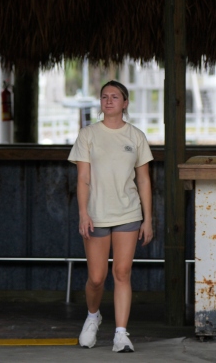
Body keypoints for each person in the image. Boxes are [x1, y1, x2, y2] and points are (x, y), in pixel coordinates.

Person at [68, 80, 154, 353]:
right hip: (96, 214)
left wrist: (148, 219)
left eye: (115, 97)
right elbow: (82, 178)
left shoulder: (136, 136)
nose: (108, 100)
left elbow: (144, 181)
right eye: (104, 96)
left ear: (125, 103)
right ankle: (93, 316)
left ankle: (120, 334)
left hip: (128, 212)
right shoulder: (88, 134)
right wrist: (83, 213)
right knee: (96, 277)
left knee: (122, 272)